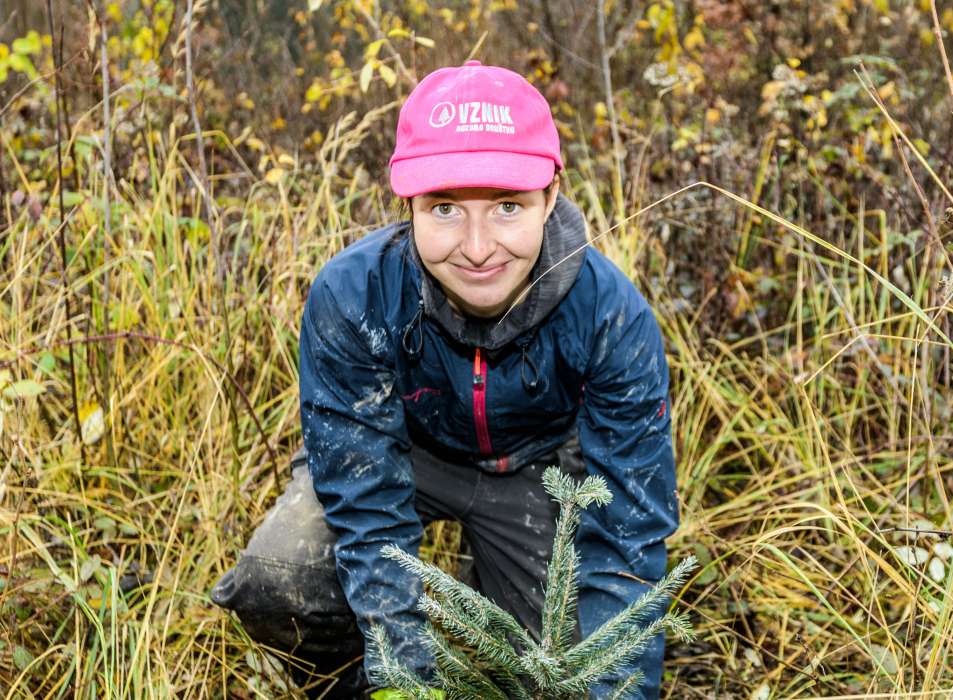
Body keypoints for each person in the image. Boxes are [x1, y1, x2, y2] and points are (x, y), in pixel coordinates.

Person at [210, 59, 680, 699]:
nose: (479, 247)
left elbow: (625, 539)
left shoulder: (609, 317)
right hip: (407, 453)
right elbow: (367, 511)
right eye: (446, 208)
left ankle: (490, 583)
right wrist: (401, 682)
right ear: (408, 203)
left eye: (508, 206)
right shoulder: (354, 296)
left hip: (536, 474)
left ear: (550, 196)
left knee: (555, 676)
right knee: (280, 574)